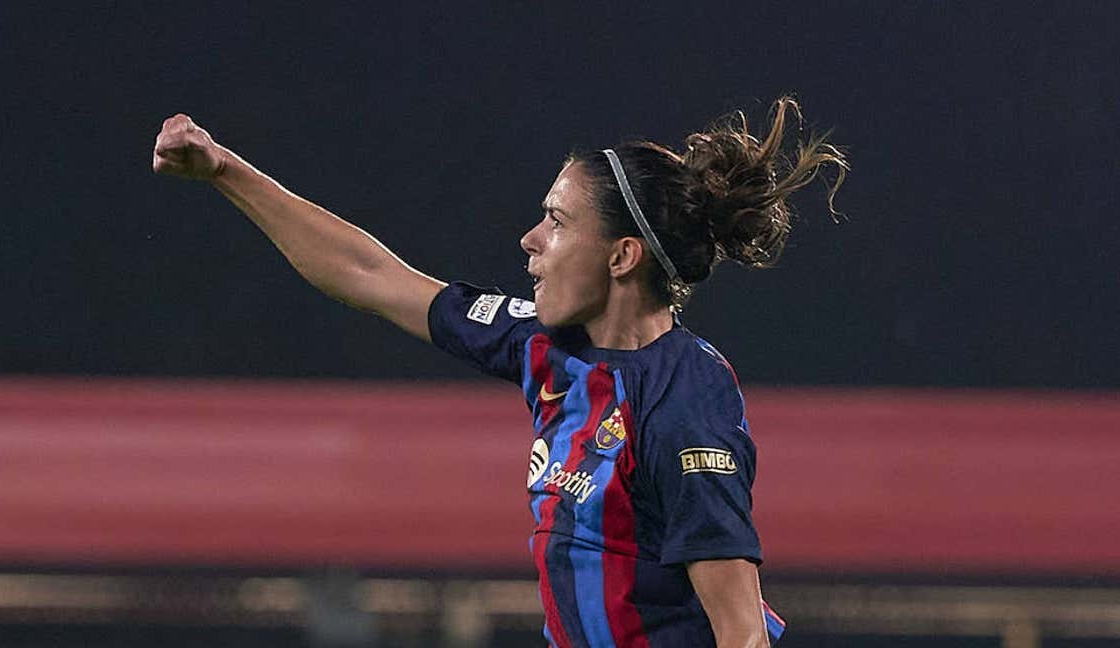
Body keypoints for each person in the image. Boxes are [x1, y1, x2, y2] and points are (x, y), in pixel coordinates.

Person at [152, 97, 846, 648]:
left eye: (556, 221)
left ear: (622, 256)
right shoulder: (547, 346)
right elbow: (373, 276)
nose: (530, 240)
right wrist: (224, 171)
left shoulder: (686, 402)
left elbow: (742, 632)